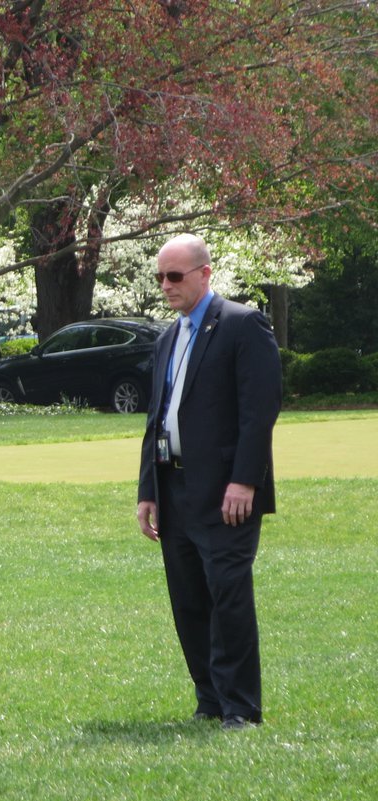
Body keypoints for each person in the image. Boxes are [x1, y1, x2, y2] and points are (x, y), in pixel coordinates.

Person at [136, 234, 282, 731]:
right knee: (190, 601)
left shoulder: (243, 325)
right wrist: (147, 491)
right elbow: (157, 419)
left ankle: (241, 708)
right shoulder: (166, 337)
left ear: (205, 274)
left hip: (226, 495)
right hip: (174, 491)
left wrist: (245, 481)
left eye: (174, 276)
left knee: (228, 597)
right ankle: (211, 700)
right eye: (160, 276)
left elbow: (259, 413)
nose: (166, 285)